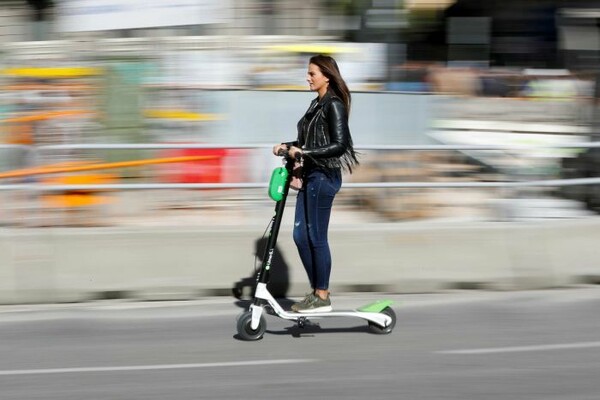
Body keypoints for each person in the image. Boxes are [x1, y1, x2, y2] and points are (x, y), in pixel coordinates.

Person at [272, 54, 359, 313]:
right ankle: (316, 292)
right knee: (300, 236)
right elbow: (307, 142)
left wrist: (304, 154)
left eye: (312, 73)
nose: (308, 77)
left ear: (327, 76)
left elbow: (340, 145)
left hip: (324, 176)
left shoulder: (333, 105)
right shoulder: (315, 104)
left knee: (316, 237)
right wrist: (287, 146)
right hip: (311, 175)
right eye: (308, 73)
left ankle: (322, 294)